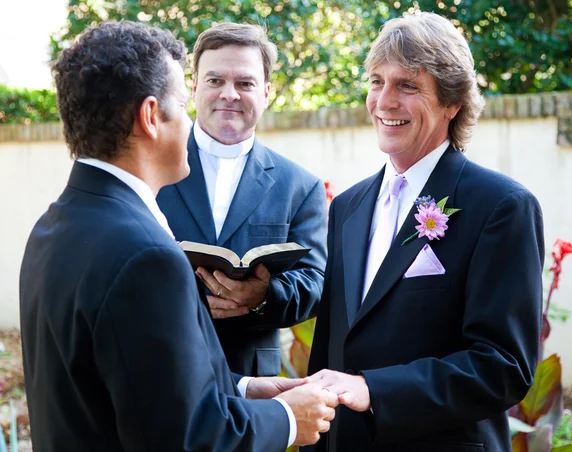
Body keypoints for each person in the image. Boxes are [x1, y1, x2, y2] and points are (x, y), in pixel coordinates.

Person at [19, 21, 337, 451]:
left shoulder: (52, 227)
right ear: (151, 117)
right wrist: (288, 416)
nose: (191, 119)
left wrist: (240, 389)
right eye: (184, 103)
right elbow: (189, 437)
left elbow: (130, 384)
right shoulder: (147, 257)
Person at [306, 12, 544, 452]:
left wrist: (375, 389)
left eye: (407, 86)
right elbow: (331, 352)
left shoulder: (501, 206)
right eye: (377, 81)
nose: (384, 101)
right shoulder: (347, 207)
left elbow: (503, 367)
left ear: (452, 103)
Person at [156, 22, 327, 377]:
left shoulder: (300, 185)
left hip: (252, 378)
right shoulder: (151, 169)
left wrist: (263, 295)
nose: (229, 94)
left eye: (244, 83)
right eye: (215, 80)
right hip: (160, 367)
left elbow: (316, 280)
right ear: (194, 87)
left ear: (266, 92)